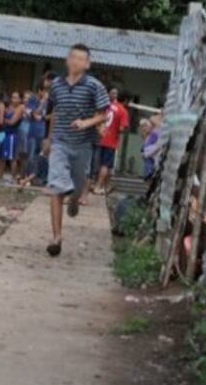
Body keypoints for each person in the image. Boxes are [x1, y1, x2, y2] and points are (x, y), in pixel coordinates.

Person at [43, 44, 110, 257]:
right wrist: (49, 138)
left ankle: (74, 200)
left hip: (83, 144)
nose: (76, 62)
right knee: (56, 186)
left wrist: (86, 122)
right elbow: (54, 112)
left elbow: (103, 114)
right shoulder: (56, 86)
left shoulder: (94, 86)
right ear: (67, 60)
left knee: (78, 184)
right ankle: (56, 236)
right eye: (72, 57)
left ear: (87, 64)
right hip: (60, 142)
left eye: (81, 59)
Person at [91, 87, 130, 196]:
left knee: (96, 163)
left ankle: (95, 184)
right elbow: (122, 128)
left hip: (100, 137)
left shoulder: (108, 106)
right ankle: (98, 187)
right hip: (111, 141)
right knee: (105, 165)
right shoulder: (123, 111)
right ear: (126, 100)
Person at [19, 84, 50, 188]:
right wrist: (41, 104)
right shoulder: (33, 100)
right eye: (44, 91)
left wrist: (42, 116)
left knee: (39, 156)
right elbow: (33, 113)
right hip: (32, 132)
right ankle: (27, 177)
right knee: (30, 156)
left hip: (42, 131)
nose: (46, 93)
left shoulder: (49, 101)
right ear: (39, 91)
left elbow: (45, 116)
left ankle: (35, 178)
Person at [0, 91, 24, 181]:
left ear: (20, 99)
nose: (13, 99)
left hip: (12, 134)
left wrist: (1, 119)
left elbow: (12, 122)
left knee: (12, 157)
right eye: (12, 97)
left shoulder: (20, 107)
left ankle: (13, 178)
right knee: (2, 156)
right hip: (5, 133)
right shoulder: (9, 107)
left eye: (15, 97)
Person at [141, 114, 164, 180]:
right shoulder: (153, 133)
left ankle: (150, 173)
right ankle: (149, 173)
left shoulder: (156, 132)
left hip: (154, 149)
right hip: (151, 148)